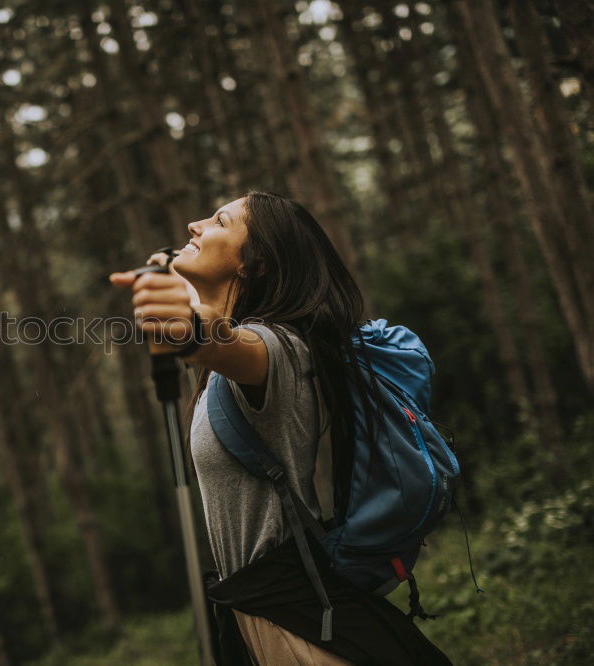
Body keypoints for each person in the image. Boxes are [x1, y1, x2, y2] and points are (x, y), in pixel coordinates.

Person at [110, 191, 450, 665]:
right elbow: (212, 320)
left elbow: (221, 338)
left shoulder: (279, 350)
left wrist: (185, 324)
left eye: (219, 221)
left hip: (295, 620)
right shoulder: (227, 363)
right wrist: (176, 278)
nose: (194, 224)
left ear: (254, 264)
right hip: (260, 612)